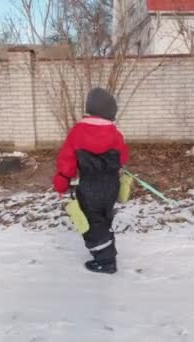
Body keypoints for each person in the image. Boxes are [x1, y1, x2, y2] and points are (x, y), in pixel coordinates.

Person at [53, 87, 129, 274]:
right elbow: (123, 158)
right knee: (104, 217)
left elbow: (67, 161)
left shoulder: (77, 132)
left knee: (93, 223)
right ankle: (107, 248)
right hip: (111, 185)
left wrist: (61, 183)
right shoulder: (115, 133)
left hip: (89, 186)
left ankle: (106, 262)